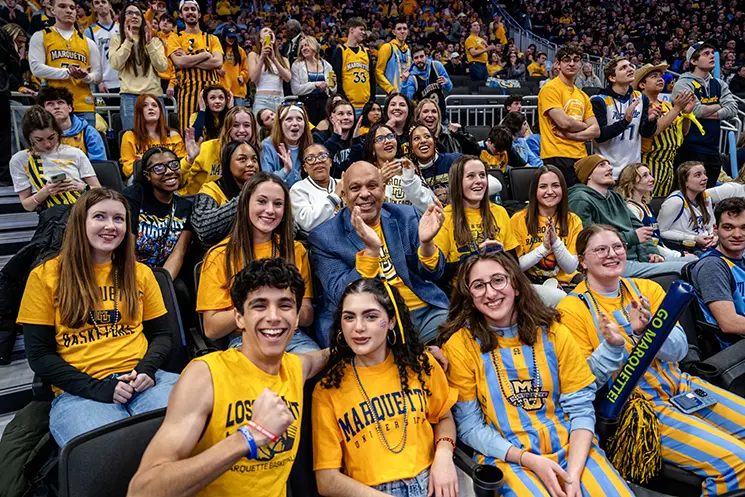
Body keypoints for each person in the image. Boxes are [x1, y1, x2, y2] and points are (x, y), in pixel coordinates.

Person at [557, 224, 745, 496]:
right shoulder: (571, 309)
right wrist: (615, 346)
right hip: (640, 407)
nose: (612, 254)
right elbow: (586, 380)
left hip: (682, 387)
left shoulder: (647, 289)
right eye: (600, 249)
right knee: (737, 463)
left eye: (618, 247)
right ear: (582, 260)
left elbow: (679, 351)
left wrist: (649, 332)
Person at [128, 258, 329, 497]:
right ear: (239, 318)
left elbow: (326, 355)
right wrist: (249, 437)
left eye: (285, 305)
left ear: (297, 318)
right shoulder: (206, 375)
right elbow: (143, 490)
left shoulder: (296, 367)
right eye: (259, 306)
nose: (273, 316)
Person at [441, 251, 635, 497]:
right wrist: (529, 460)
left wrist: (573, 476)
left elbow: (581, 409)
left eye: (498, 280)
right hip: (507, 458)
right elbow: (470, 428)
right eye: (478, 286)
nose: (490, 293)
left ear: (517, 286)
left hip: (572, 448)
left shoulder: (554, 332)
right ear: (469, 297)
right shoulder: (459, 346)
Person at [19, 188, 179, 447]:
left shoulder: (141, 273)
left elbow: (162, 334)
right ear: (81, 222)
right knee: (110, 456)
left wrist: (146, 369)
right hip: (80, 390)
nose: (110, 226)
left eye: (119, 219)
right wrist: (99, 389)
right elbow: (39, 355)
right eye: (100, 217)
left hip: (143, 380)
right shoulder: (44, 276)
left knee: (185, 438)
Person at [313, 278, 458, 497]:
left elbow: (444, 418)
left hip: (432, 482)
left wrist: (444, 456)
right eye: (349, 317)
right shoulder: (328, 389)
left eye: (371, 316)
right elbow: (326, 479)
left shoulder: (420, 365)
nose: (358, 327)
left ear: (391, 321)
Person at [308, 161, 449, 347]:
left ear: (383, 189)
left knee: (465, 337)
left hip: (422, 312)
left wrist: (427, 244)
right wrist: (372, 252)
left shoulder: (406, 216)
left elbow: (433, 274)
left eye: (372, 186)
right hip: (367, 321)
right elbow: (341, 293)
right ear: (344, 194)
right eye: (355, 188)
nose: (365, 194)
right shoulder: (324, 237)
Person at [197, 172, 318, 352]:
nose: (270, 210)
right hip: (244, 338)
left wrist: (280, 310)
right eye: (261, 201)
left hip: (292, 337)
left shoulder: (295, 250)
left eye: (278, 204)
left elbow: (307, 315)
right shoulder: (219, 255)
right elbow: (211, 329)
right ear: (245, 204)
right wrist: (257, 306)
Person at [568, 154, 689, 277]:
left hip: (637, 257)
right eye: (601, 165)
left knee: (698, 262)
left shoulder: (615, 197)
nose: (609, 168)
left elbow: (638, 228)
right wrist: (632, 237)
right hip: (613, 262)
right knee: (688, 268)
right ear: (588, 175)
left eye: (609, 164)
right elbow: (587, 240)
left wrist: (651, 252)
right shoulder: (580, 200)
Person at [433, 155, 520, 284]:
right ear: (457, 182)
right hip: (462, 292)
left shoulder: (499, 212)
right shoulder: (445, 217)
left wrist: (502, 256)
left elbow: (514, 266)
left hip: (500, 287)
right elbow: (439, 275)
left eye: (482, 175)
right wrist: (476, 256)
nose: (479, 180)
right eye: (471, 176)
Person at [673, 41, 739, 188]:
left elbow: (733, 108)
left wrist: (708, 111)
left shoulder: (719, 84)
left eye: (712, 53)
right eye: (706, 53)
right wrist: (719, 105)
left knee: (707, 196)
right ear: (693, 61)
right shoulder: (683, 83)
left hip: (713, 148)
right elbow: (696, 110)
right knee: (687, 194)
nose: (712, 56)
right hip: (690, 148)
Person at [10, 106, 101, 211]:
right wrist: (46, 191)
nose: (48, 144)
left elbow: (99, 191)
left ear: (58, 132)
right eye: (39, 139)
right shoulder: (19, 160)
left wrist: (81, 187)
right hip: (52, 216)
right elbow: (28, 205)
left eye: (51, 137)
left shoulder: (75, 153)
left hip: (81, 210)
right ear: (29, 138)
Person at [28, 0, 102, 127]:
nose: (69, 10)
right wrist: (68, 73)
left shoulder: (88, 42)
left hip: (83, 104)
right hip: (54, 106)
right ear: (53, 10)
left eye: (72, 8)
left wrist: (85, 76)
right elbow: (36, 68)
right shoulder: (40, 36)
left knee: (85, 145)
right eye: (62, 6)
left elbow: (98, 76)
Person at [511, 165, 581, 295]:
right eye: (543, 186)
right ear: (534, 191)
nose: (550, 191)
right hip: (530, 285)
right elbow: (515, 266)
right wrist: (544, 248)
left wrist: (555, 242)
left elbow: (570, 268)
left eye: (555, 185)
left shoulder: (573, 220)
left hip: (568, 285)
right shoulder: (518, 219)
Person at [124, 146, 192, 279]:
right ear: (147, 175)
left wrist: (162, 284)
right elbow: (127, 250)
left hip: (163, 273)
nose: (169, 172)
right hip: (132, 273)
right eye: (159, 168)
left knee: (180, 291)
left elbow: (179, 252)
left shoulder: (185, 207)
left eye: (173, 164)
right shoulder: (133, 197)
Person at [537, 43, 599, 186]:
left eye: (576, 60)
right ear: (558, 64)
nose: (572, 64)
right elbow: (564, 123)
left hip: (581, 157)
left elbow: (596, 130)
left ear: (580, 64)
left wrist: (573, 135)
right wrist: (584, 126)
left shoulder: (582, 95)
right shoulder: (549, 89)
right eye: (566, 60)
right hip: (557, 155)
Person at [590, 57, 659, 179]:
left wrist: (651, 121)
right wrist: (625, 121)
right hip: (608, 170)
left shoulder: (641, 98)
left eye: (630, 66)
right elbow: (600, 136)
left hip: (633, 170)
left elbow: (645, 133)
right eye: (623, 68)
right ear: (612, 78)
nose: (630, 69)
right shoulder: (599, 101)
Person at [691, 197, 745, 349]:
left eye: (743, 228)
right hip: (736, 347)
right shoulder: (712, 266)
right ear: (716, 229)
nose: (737, 234)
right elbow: (729, 323)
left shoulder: (742, 256)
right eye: (728, 227)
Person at [636, 63, 697, 197]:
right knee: (646, 202)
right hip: (648, 162)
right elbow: (653, 131)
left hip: (668, 163)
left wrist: (686, 114)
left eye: (661, 76)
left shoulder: (668, 105)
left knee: (662, 202)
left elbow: (683, 132)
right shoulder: (639, 105)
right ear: (642, 85)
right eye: (654, 76)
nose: (660, 79)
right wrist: (677, 109)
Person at [657, 161, 745, 254]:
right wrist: (694, 238)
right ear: (685, 181)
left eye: (704, 174)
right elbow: (661, 231)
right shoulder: (675, 201)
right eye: (698, 175)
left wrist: (713, 237)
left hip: (705, 244)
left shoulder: (705, 197)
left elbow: (710, 224)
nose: (705, 178)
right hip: (683, 247)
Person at [110, 2, 168, 132]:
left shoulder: (155, 41)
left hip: (154, 95)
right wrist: (128, 42)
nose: (135, 16)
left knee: (159, 137)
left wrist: (149, 44)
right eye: (130, 13)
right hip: (130, 97)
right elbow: (115, 64)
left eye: (138, 14)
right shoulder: (117, 40)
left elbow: (162, 67)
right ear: (123, 18)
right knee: (133, 138)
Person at [167, 0, 223, 134]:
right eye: (186, 9)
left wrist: (187, 57)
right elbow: (179, 63)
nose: (190, 12)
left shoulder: (212, 38)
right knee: (189, 133)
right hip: (187, 93)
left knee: (214, 133)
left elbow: (217, 63)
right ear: (181, 15)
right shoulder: (175, 37)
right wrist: (205, 54)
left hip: (212, 92)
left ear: (199, 14)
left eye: (193, 9)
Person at [191, 140, 259, 249]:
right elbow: (203, 229)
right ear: (228, 164)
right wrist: (244, 199)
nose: (251, 164)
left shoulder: (264, 190)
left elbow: (292, 230)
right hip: (218, 255)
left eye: (254, 159)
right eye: (242, 159)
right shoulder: (211, 189)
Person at [616, 163, 689, 260]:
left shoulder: (646, 205)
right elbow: (644, 243)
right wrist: (678, 255)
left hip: (661, 252)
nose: (652, 179)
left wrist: (677, 253)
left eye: (650, 174)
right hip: (650, 256)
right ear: (631, 181)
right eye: (645, 176)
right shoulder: (631, 208)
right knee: (694, 261)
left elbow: (658, 241)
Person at [182, 106, 257, 195]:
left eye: (247, 125)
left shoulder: (256, 152)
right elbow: (179, 180)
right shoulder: (207, 148)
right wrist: (189, 159)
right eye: (235, 125)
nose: (241, 130)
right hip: (198, 201)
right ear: (228, 127)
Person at [364, 122, 435, 213]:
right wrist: (378, 183)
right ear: (372, 147)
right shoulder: (366, 172)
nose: (387, 141)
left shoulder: (408, 168)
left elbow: (430, 208)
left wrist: (410, 180)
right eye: (380, 138)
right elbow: (363, 209)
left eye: (390, 136)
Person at [120, 94, 185, 180]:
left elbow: (182, 164)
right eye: (145, 105)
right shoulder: (129, 136)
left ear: (160, 111)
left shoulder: (173, 135)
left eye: (154, 105)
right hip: (143, 179)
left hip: (171, 176)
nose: (151, 108)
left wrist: (145, 161)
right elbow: (128, 170)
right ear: (139, 111)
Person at [36, 86, 106, 160]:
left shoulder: (88, 132)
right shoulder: (40, 135)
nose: (56, 107)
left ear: (70, 108)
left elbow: (99, 165)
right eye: (50, 104)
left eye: (60, 102)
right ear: (43, 110)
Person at [290, 143, 342, 236]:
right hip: (320, 244)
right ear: (305, 168)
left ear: (330, 162)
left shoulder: (342, 183)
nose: (317, 161)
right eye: (310, 158)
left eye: (322, 156)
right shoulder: (298, 189)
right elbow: (306, 223)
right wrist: (334, 197)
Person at [261, 102, 313, 188]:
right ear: (280, 125)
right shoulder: (267, 146)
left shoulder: (309, 146)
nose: (295, 123)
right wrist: (285, 170)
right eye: (289, 119)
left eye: (299, 119)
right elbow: (266, 182)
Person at [331, 17, 375, 118]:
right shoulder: (340, 51)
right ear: (351, 30)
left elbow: (372, 78)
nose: (364, 32)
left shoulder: (366, 52)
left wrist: (371, 99)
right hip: (347, 105)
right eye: (361, 29)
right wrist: (341, 99)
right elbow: (333, 77)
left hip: (365, 105)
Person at [291, 35, 335, 126]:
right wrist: (315, 85)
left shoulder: (327, 65)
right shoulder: (297, 65)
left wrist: (333, 84)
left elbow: (333, 91)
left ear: (314, 46)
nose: (304, 49)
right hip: (307, 104)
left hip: (324, 103)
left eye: (307, 45)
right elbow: (295, 90)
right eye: (302, 47)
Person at [311, 99, 363, 175]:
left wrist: (356, 142)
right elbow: (321, 159)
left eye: (349, 114)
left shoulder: (359, 141)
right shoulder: (319, 137)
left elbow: (357, 167)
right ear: (331, 118)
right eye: (341, 114)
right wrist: (335, 137)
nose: (346, 117)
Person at [409, 124, 460, 200]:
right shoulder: (411, 174)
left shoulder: (455, 160)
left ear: (434, 142)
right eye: (416, 138)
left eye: (427, 136)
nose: (423, 141)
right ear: (412, 149)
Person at [248, 26, 290, 116]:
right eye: (265, 31)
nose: (269, 32)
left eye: (271, 31)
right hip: (262, 99)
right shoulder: (253, 55)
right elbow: (253, 80)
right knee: (259, 129)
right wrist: (262, 57)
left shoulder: (284, 59)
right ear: (260, 39)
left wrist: (274, 59)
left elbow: (287, 78)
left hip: (279, 99)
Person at [401, 45, 452, 120]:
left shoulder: (437, 66)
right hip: (423, 120)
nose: (419, 60)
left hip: (441, 116)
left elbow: (449, 88)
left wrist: (446, 83)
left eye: (421, 56)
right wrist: (404, 82)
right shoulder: (412, 77)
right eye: (416, 58)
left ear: (426, 56)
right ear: (412, 60)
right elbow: (408, 99)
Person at [414, 98, 479, 155]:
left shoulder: (450, 134)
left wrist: (459, 134)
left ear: (439, 116)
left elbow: (475, 151)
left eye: (434, 111)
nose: (430, 115)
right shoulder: (412, 136)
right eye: (425, 111)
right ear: (418, 117)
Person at [84, 0, 119, 94]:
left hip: (125, 81)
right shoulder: (89, 32)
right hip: (104, 83)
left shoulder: (122, 28)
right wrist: (99, 83)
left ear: (110, 6)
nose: (100, 4)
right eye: (96, 3)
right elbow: (90, 59)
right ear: (94, 8)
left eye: (103, 2)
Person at [375, 19, 411, 94]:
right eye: (399, 29)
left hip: (408, 95)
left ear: (407, 31)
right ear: (393, 32)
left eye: (404, 28)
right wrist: (390, 89)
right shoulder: (387, 48)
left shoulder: (409, 51)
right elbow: (378, 72)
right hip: (392, 95)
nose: (402, 31)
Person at [220, 28, 248, 107]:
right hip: (222, 89)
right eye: (229, 37)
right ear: (224, 37)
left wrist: (242, 76)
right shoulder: (218, 50)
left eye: (233, 37)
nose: (231, 40)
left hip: (237, 90)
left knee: (238, 117)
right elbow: (212, 66)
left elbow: (246, 69)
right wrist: (217, 70)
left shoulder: (240, 51)